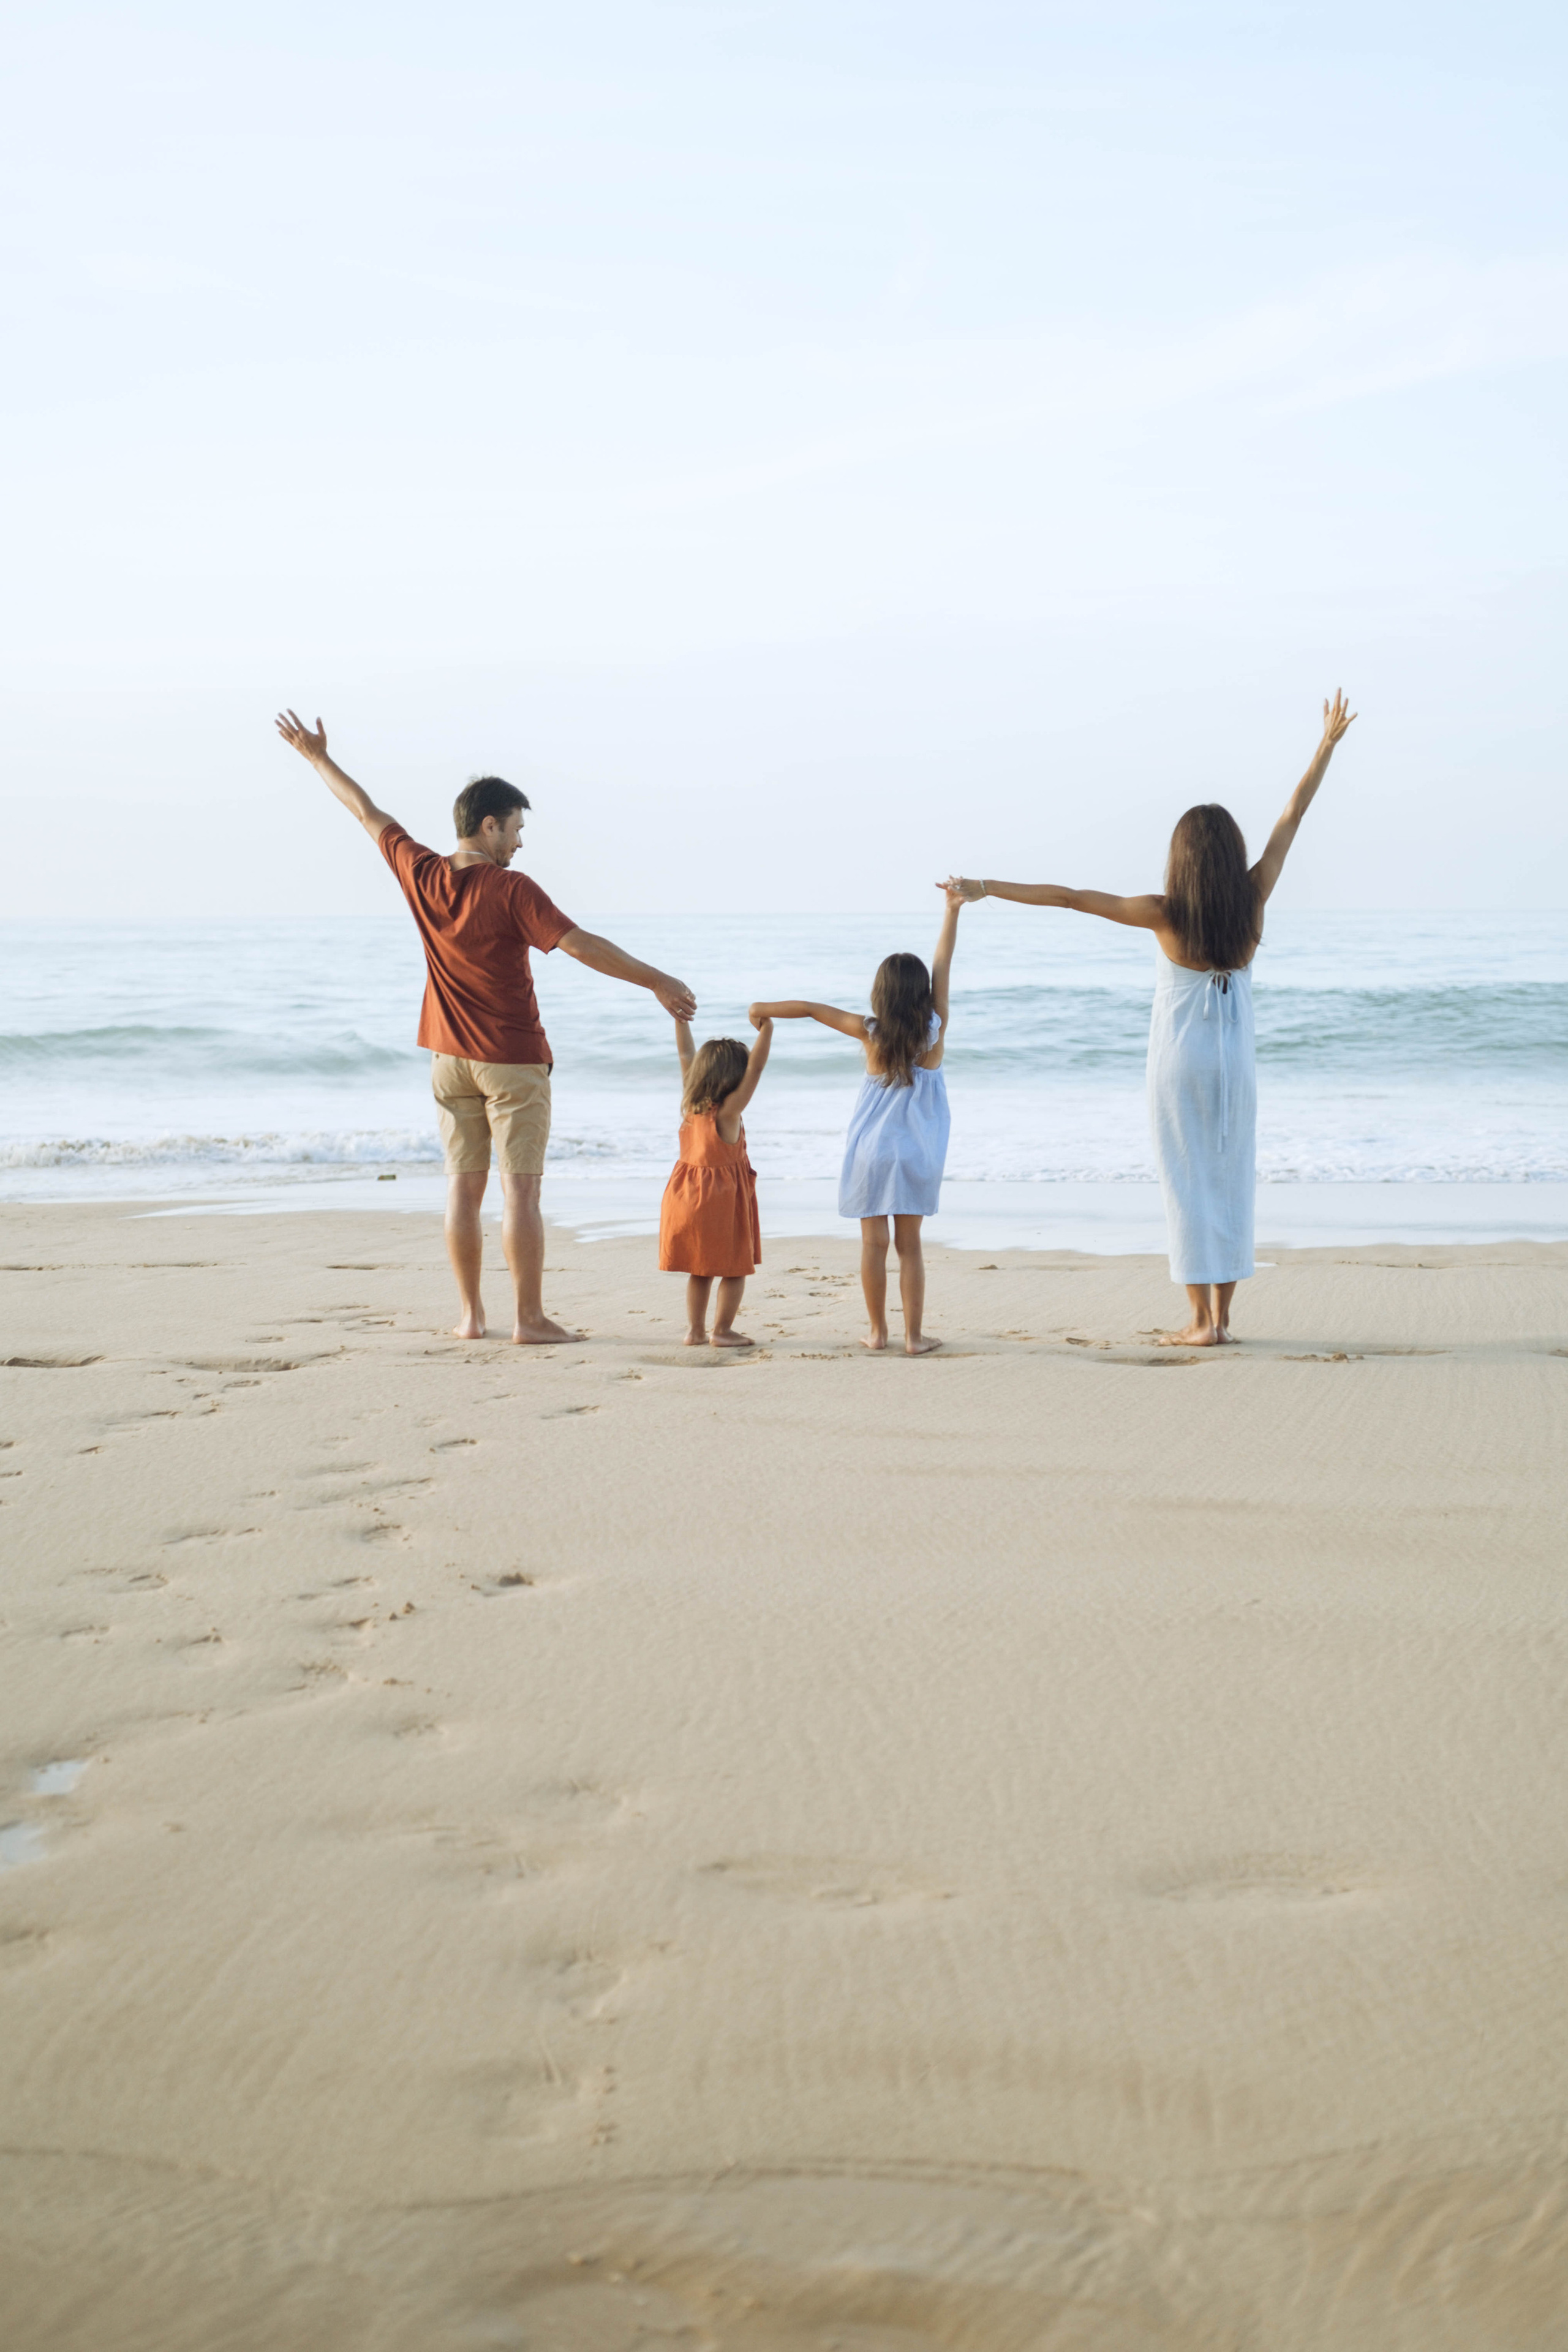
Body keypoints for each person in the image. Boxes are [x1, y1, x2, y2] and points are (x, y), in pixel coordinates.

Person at [947, 692, 1356, 1346]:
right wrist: (1326, 746)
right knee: (1228, 1182)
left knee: (1186, 1185)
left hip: (1178, 1068)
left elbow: (1072, 898)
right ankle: (1222, 1317)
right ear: (1229, 855)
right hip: (1235, 1067)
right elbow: (1292, 814)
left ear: (1182, 857)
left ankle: (1198, 1322)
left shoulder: (1163, 912)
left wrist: (986, 887)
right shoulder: (1252, 899)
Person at [274, 712, 696, 1345]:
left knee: (461, 1192)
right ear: (488, 825)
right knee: (520, 1194)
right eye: (516, 830)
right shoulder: (509, 889)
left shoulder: (419, 870)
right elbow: (578, 945)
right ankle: (529, 1319)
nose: (520, 844)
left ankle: (471, 1317)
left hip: (447, 1059)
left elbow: (365, 811)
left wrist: (316, 759)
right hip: (511, 1059)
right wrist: (657, 980)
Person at [749, 888, 963, 1355]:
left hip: (870, 1151)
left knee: (873, 1246)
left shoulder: (869, 1032)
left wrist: (761, 1009)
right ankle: (913, 1337)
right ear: (923, 995)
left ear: (880, 995)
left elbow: (808, 1008)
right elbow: (943, 964)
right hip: (917, 1153)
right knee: (910, 1248)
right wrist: (951, 911)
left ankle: (876, 1332)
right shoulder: (935, 1031)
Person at [658, 1016, 772, 1348]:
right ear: (734, 1078)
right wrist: (768, 1030)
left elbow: (685, 1055)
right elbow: (757, 1071)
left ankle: (694, 1331)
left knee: (700, 1268)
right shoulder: (728, 1114)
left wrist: (680, 1021)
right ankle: (721, 1331)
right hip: (719, 1202)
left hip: (684, 1198)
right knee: (735, 1268)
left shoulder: (692, 1106)